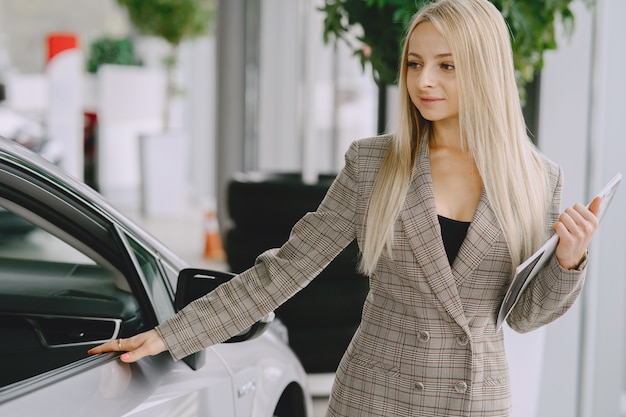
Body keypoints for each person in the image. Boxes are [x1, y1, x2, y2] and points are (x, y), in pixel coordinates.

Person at [89, 0, 601, 415]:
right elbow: (284, 271)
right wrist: (167, 336)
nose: (423, 81)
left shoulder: (535, 177)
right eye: (415, 63)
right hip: (374, 397)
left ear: (486, 71)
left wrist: (568, 261)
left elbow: (525, 317)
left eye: (446, 66)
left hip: (474, 401)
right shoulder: (375, 163)